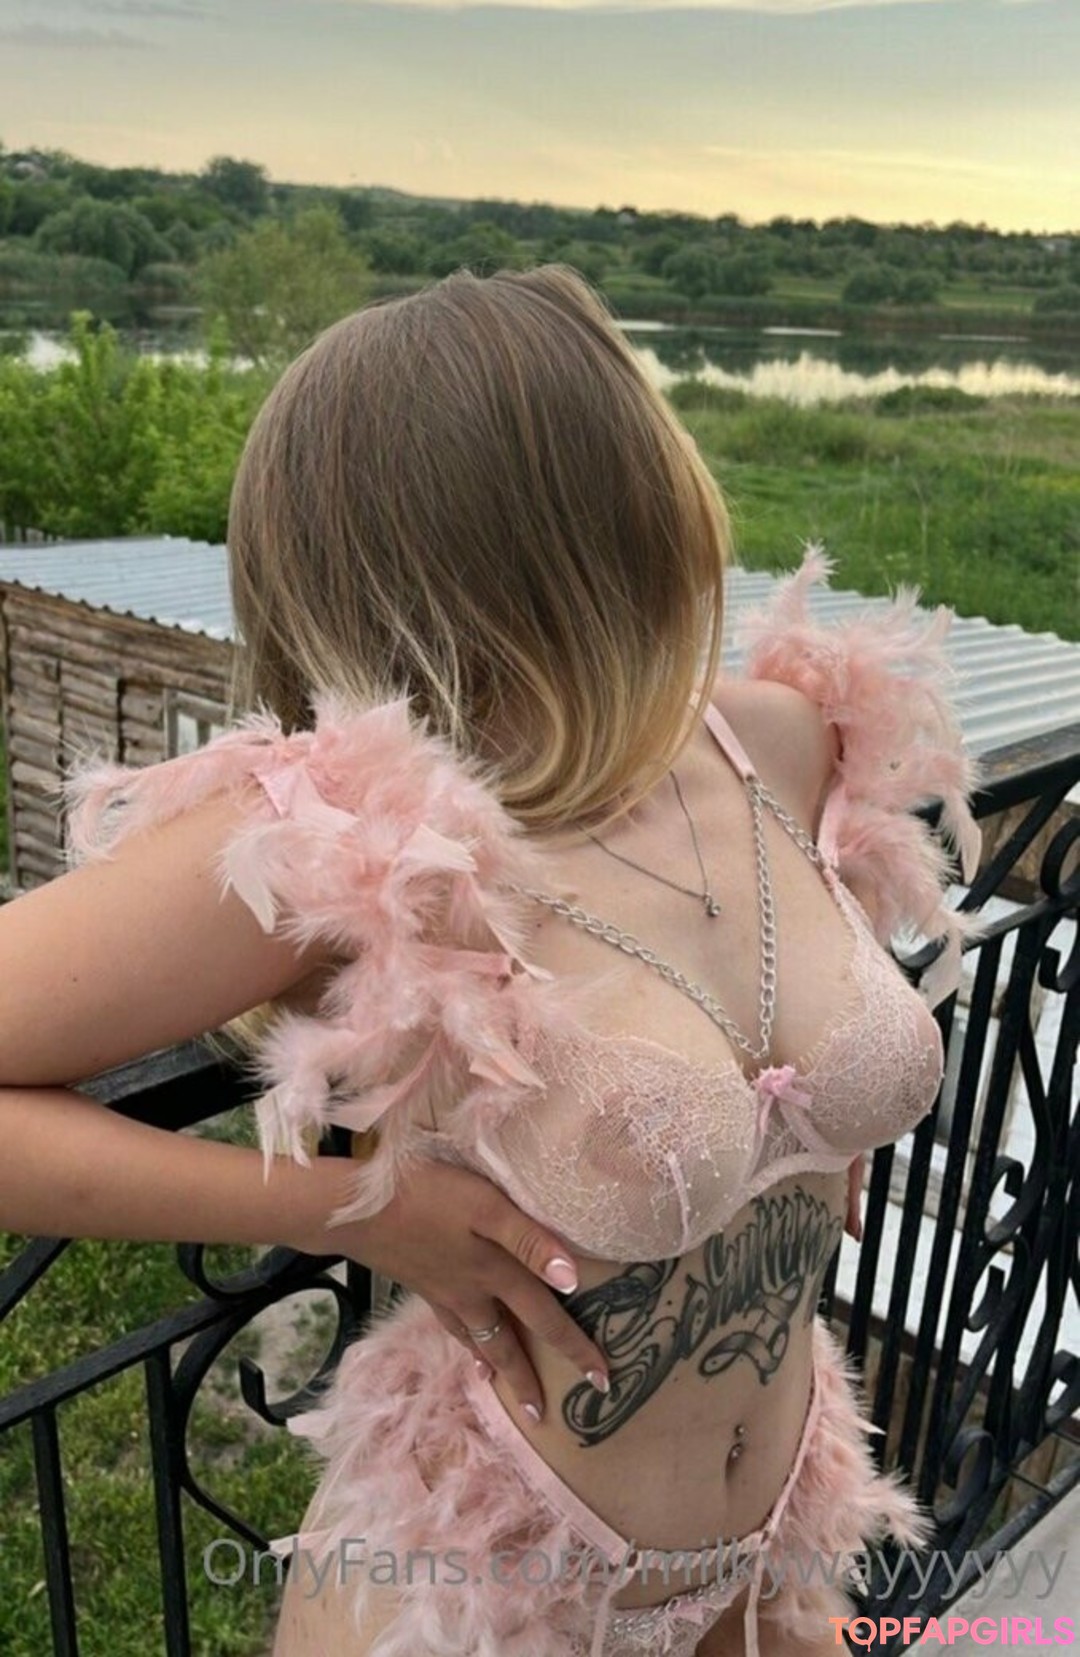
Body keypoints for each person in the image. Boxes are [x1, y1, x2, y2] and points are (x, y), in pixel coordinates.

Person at [0, 264, 983, 1657]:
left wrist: (821, 1111)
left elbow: (785, 981)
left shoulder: (774, 738)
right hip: (464, 1592)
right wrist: (351, 1210)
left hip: (769, 1553)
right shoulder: (347, 840)